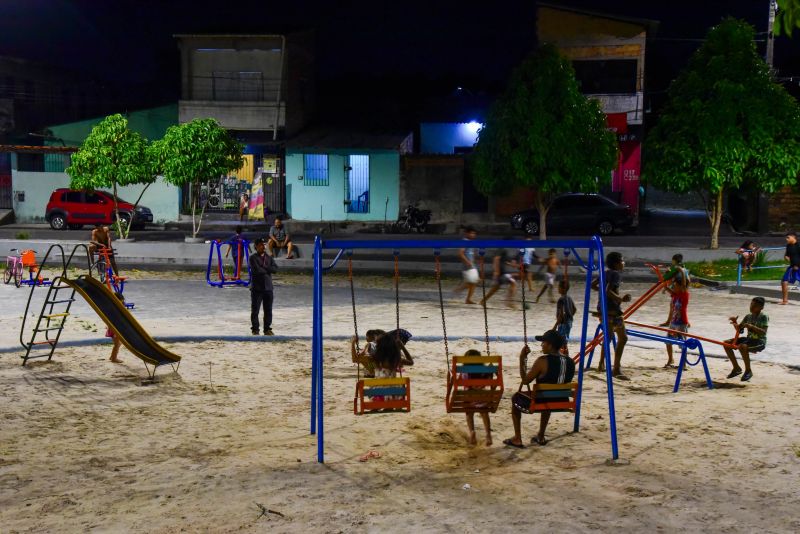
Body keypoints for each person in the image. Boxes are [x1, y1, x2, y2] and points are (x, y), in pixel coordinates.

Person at [503, 330, 576, 448]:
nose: (541, 345)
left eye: (543, 342)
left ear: (550, 345)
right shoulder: (570, 361)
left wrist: (522, 358)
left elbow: (525, 380)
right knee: (549, 395)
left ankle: (517, 438)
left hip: (541, 402)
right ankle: (541, 435)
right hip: (561, 402)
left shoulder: (542, 361)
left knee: (515, 398)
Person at [591, 251, 632, 379]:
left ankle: (601, 364)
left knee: (607, 337)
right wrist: (620, 299)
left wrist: (603, 293)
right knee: (623, 338)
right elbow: (608, 290)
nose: (624, 263)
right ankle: (616, 369)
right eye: (622, 260)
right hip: (613, 310)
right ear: (617, 263)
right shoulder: (615, 274)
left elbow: (593, 285)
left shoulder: (605, 272)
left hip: (602, 308)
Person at [724, 297, 768, 382]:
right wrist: (735, 323)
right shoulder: (748, 317)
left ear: (761, 307)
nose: (752, 307)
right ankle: (736, 368)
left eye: (755, 305)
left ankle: (748, 370)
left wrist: (752, 327)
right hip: (749, 340)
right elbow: (740, 330)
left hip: (759, 341)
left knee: (742, 346)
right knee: (726, 343)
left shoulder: (763, 316)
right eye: (751, 304)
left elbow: (763, 332)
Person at [460, 348, 493, 446]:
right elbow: (489, 381)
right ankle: (488, 434)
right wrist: (490, 371)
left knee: (469, 414)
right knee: (484, 413)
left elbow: (464, 382)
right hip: (482, 397)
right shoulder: (484, 371)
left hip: (468, 398)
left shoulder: (465, 371)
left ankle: (472, 432)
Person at [663, 254, 690, 368]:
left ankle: (683, 363)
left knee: (683, 344)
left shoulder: (684, 295)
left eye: (676, 285)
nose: (674, 287)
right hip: (673, 322)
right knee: (668, 341)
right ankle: (671, 359)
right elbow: (665, 286)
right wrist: (666, 274)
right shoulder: (675, 295)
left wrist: (681, 272)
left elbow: (684, 284)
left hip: (681, 322)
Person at [249, 238, 278, 335]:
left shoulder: (269, 258)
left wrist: (265, 267)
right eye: (261, 245)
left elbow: (275, 269)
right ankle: (255, 329)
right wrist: (268, 269)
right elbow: (257, 270)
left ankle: (267, 329)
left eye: (264, 245)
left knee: (268, 310)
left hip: (268, 288)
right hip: (257, 288)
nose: (263, 247)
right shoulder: (253, 258)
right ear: (256, 247)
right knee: (255, 310)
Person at [455, 226, 479, 304]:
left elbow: (473, 253)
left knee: (473, 282)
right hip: (468, 266)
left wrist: (475, 259)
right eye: (472, 233)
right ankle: (461, 291)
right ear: (467, 233)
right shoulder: (464, 241)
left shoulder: (471, 242)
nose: (473, 235)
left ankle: (464, 294)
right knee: (474, 281)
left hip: (472, 265)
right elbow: (460, 253)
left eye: (474, 233)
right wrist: (467, 262)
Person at [553, 280, 576, 355]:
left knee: (561, 342)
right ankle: (566, 355)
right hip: (569, 322)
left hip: (563, 323)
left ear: (563, 289)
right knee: (564, 341)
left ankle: (565, 357)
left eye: (559, 287)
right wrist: (570, 316)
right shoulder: (569, 298)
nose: (558, 289)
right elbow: (574, 309)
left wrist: (555, 326)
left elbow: (561, 315)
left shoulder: (561, 299)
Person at [781, 232, 800, 305]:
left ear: (793, 237)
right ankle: (785, 301)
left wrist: (797, 265)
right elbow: (786, 255)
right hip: (792, 267)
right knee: (784, 281)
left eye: (788, 238)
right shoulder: (788, 246)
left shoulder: (798, 245)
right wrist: (786, 257)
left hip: (798, 266)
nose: (786, 239)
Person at [107, 292, 125, 363]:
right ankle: (114, 359)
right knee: (117, 344)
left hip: (114, 328)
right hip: (115, 328)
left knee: (118, 343)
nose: (121, 303)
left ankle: (112, 356)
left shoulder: (116, 307)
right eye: (120, 301)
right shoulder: (113, 309)